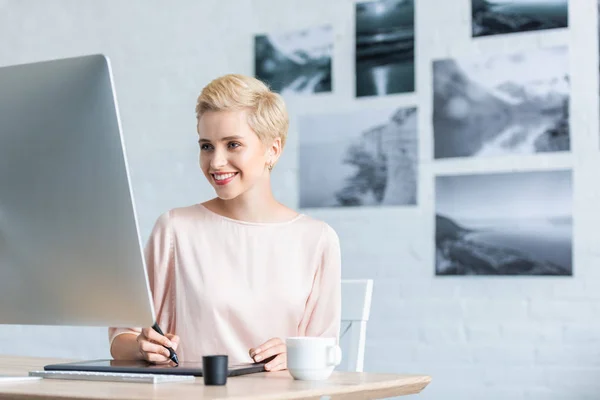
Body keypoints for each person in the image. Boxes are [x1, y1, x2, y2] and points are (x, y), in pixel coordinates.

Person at [108, 74, 341, 372]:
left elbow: (326, 350)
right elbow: (120, 336)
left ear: (273, 149)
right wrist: (141, 347)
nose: (216, 162)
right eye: (206, 146)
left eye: (232, 145)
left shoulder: (317, 239)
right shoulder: (175, 229)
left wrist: (294, 353)